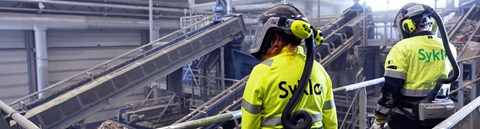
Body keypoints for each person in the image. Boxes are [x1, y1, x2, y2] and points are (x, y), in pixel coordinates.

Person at [241, 4, 337, 129]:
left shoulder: (262, 72)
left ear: (275, 36)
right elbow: (331, 121)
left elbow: (250, 123)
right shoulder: (319, 71)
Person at [372, 3, 457, 129]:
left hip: (408, 118)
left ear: (407, 26)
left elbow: (391, 90)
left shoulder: (402, 48)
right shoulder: (449, 47)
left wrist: (380, 118)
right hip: (442, 115)